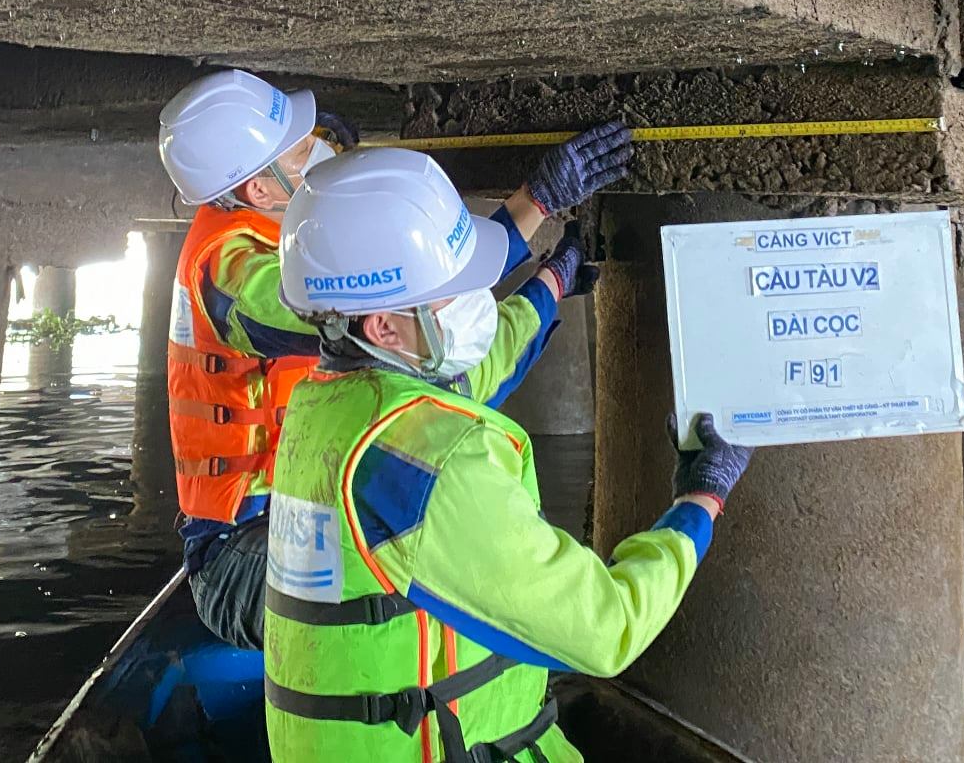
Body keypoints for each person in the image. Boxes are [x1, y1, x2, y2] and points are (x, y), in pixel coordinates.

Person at [263, 147, 756, 763]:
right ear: (383, 328)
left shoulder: (337, 404)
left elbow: (484, 363)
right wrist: (700, 499)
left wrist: (554, 280)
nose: (478, 301)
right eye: (456, 291)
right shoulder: (430, 471)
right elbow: (606, 628)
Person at [156, 68, 635, 649]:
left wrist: (550, 282)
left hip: (319, 506)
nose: (322, 152)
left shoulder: (297, 240)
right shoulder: (231, 269)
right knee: (437, 604)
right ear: (257, 189)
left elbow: (458, 361)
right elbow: (384, 295)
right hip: (239, 548)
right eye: (304, 148)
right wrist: (537, 201)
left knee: (438, 431)